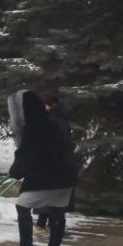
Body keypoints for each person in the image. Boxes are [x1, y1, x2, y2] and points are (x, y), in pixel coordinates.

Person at [5, 90, 77, 246]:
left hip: (48, 178)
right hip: (66, 176)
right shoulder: (60, 121)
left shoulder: (37, 126)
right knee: (57, 211)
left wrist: (16, 171)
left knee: (22, 206)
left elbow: (29, 153)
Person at [34, 88, 74, 230]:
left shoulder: (56, 121)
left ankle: (53, 229)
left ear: (51, 105)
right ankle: (42, 225)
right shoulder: (54, 118)